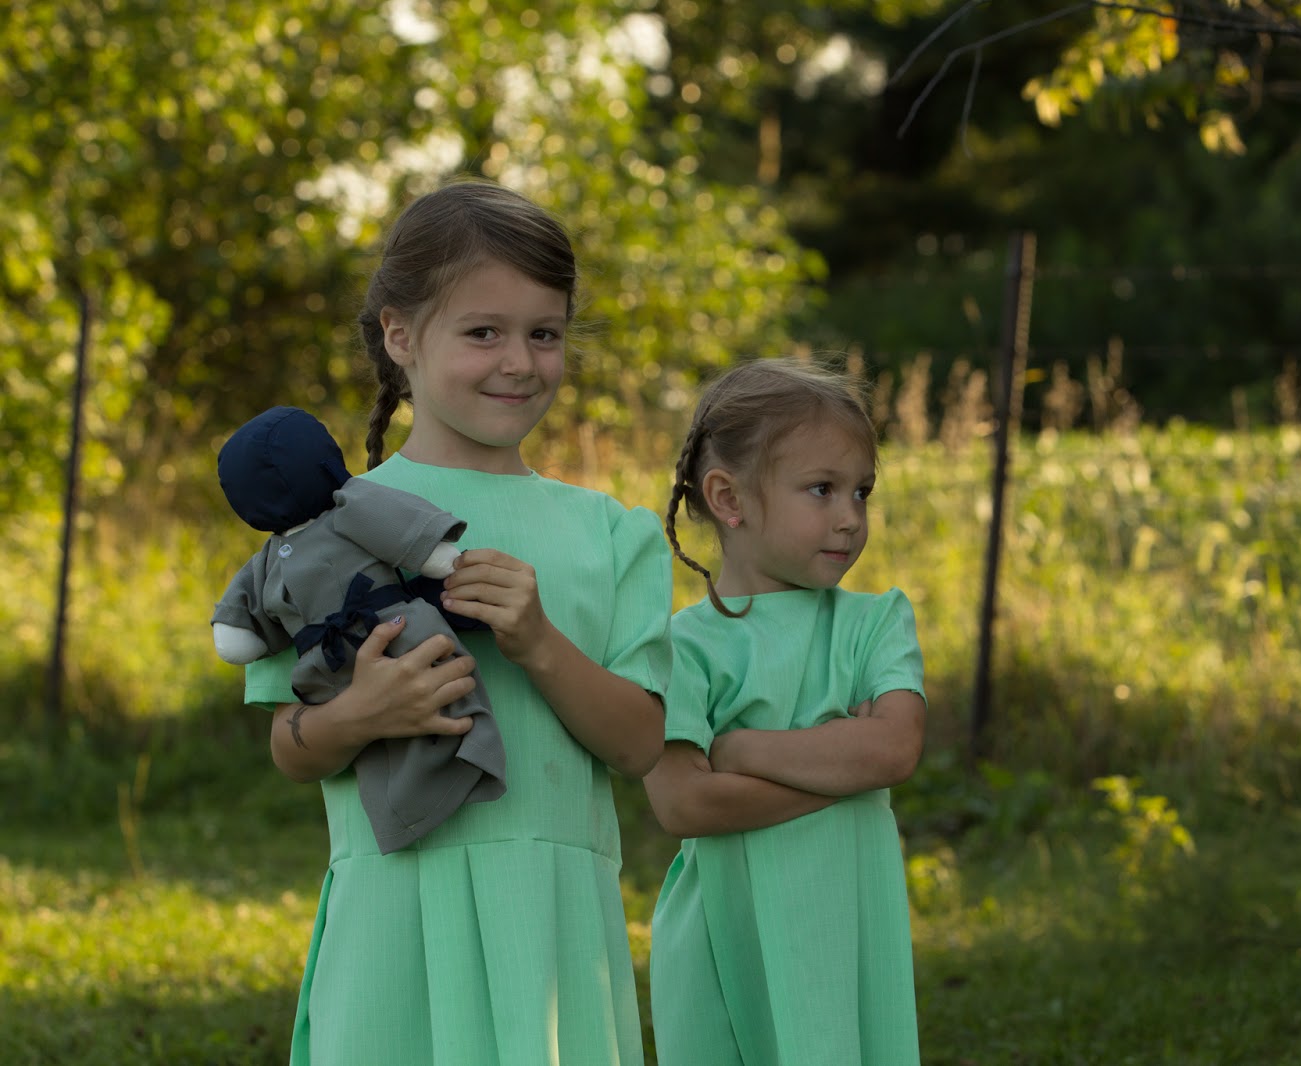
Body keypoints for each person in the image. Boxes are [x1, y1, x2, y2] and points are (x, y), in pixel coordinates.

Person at [243, 177, 671, 1066]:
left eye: (544, 334)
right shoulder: (324, 528)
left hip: (551, 925)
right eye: (484, 332)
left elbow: (639, 745)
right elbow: (290, 745)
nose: (519, 362)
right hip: (394, 913)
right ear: (400, 336)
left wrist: (539, 644)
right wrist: (362, 713)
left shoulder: (611, 534)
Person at [643, 356, 926, 1066]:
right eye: (821, 489)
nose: (850, 518)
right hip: (725, 935)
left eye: (861, 492)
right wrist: (841, 762)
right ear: (729, 499)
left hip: (847, 929)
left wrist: (744, 751)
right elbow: (683, 803)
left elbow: (893, 750)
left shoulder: (874, 624)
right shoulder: (681, 646)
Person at [212, 404, 506, 855]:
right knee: (386, 750)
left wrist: (439, 560)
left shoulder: (352, 506)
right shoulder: (268, 559)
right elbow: (243, 624)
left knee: (443, 694)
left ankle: (464, 763)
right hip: (327, 666)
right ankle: (412, 809)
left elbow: (399, 529)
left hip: (393, 629)